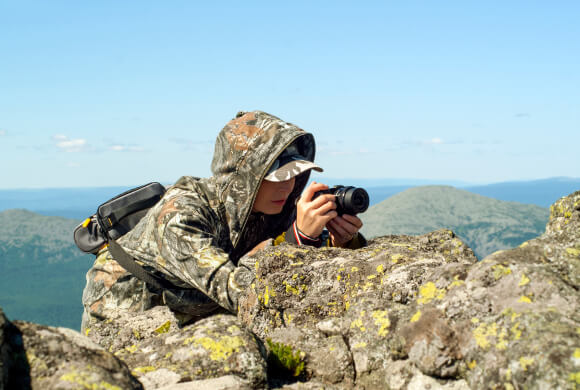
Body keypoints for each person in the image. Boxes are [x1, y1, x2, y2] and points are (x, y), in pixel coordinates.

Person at [81, 110, 366, 332]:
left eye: (295, 176)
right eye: (278, 177)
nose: (288, 187)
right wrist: (298, 239)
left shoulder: (269, 208)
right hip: (126, 308)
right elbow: (237, 292)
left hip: (192, 306)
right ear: (246, 178)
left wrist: (344, 242)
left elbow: (305, 262)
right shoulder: (180, 216)